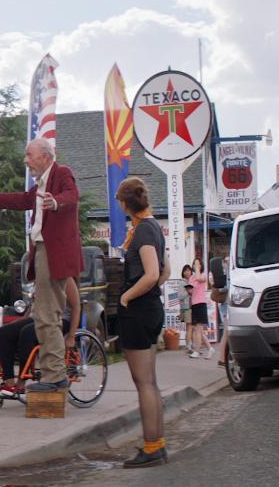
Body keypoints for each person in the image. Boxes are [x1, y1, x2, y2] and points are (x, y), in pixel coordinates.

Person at [0, 138, 82, 393]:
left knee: (46, 315)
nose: (25, 160)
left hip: (54, 252)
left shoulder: (62, 172)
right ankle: (49, 375)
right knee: (43, 315)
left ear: (45, 156)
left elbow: (72, 195)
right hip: (43, 250)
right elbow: (22, 200)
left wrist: (56, 202)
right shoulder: (40, 183)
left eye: (29, 155)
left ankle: (54, 377)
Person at [115, 177, 168, 467]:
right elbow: (165, 271)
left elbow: (150, 274)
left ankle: (151, 447)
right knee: (151, 382)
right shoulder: (153, 227)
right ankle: (157, 442)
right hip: (150, 307)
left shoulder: (143, 231)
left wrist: (126, 297)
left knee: (144, 383)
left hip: (138, 309)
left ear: (125, 203)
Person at [187, 258, 214, 359]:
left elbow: (199, 278)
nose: (195, 265)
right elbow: (191, 291)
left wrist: (198, 266)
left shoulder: (203, 275)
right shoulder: (191, 278)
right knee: (198, 330)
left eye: (197, 264)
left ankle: (197, 351)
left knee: (198, 329)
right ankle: (210, 348)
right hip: (194, 304)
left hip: (201, 303)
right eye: (194, 264)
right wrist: (188, 291)